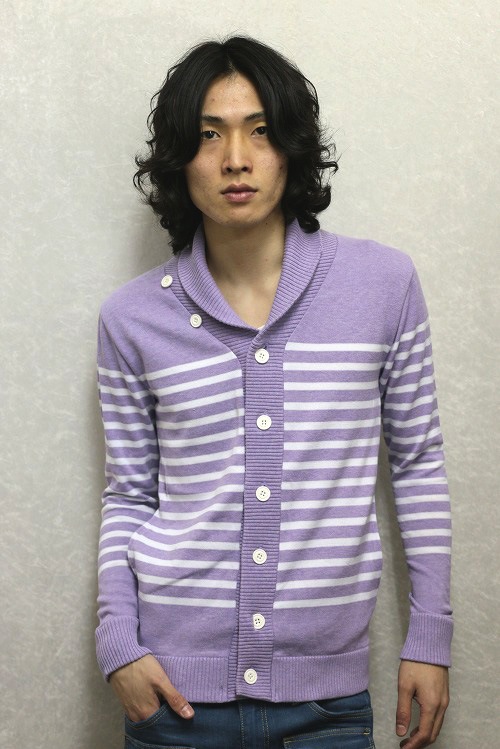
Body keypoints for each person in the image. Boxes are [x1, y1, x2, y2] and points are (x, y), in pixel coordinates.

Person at [95, 36, 452, 749]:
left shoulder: (384, 286)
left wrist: (431, 636)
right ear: (180, 158)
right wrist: (119, 645)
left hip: (328, 706)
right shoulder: (131, 318)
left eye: (259, 131)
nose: (236, 158)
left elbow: (417, 465)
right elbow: (129, 492)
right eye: (209, 135)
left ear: (291, 147)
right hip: (173, 699)